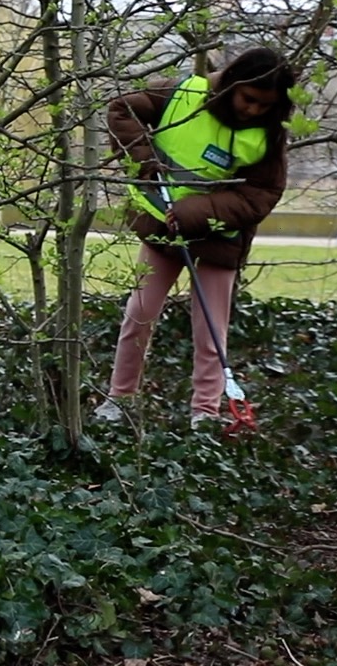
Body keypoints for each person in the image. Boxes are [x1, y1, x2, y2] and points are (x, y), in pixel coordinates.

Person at [98, 46, 296, 429]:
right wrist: (143, 159)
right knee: (139, 314)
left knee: (210, 328)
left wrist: (194, 213)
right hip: (163, 230)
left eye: (263, 105)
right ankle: (119, 399)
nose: (252, 109)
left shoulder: (269, 136)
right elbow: (122, 109)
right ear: (234, 85)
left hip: (219, 238)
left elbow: (261, 194)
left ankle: (205, 412)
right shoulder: (183, 94)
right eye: (248, 98)